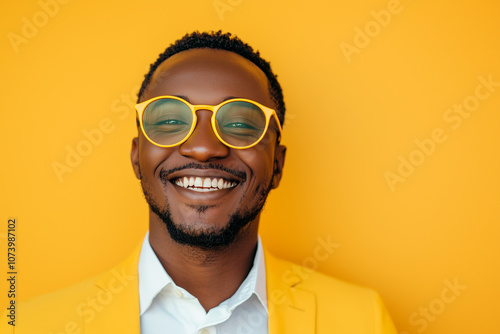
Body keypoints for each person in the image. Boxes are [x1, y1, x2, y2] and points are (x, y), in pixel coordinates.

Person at [7, 31, 397, 334]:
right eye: (171, 121)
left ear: (277, 165)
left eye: (241, 124)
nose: (204, 147)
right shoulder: (27, 325)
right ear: (136, 158)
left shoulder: (362, 319)